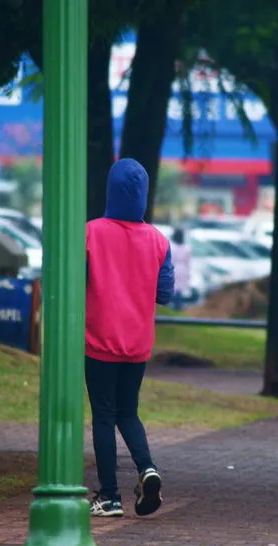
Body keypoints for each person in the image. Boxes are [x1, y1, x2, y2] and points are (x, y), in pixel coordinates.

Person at [85, 158, 174, 518]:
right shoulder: (158, 240)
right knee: (129, 414)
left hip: (99, 341)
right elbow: (165, 293)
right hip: (137, 345)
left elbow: (75, 281)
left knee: (104, 416)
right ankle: (147, 468)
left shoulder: (90, 232)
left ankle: (109, 496)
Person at [169, 228, 192, 310]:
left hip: (174, 267)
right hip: (183, 269)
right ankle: (178, 305)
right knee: (179, 289)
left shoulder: (171, 246)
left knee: (174, 288)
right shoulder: (187, 248)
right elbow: (188, 261)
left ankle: (174, 306)